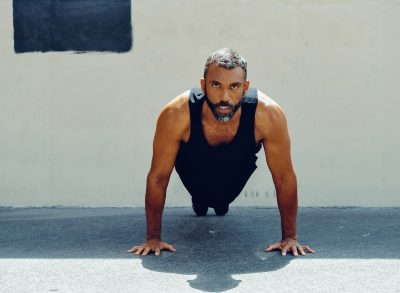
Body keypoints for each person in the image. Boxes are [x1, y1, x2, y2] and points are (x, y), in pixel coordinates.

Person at [127, 48, 316, 257]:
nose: (224, 97)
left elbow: (284, 178)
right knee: (202, 198)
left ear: (245, 87)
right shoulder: (176, 114)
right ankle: (200, 201)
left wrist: (290, 237)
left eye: (234, 86)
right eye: (216, 85)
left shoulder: (269, 115)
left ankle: (218, 203)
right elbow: (158, 177)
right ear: (203, 85)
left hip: (234, 173)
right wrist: (152, 238)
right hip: (193, 170)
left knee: (220, 203)